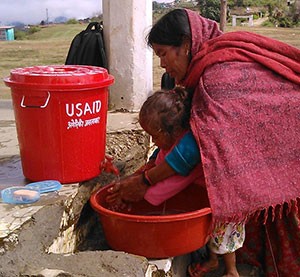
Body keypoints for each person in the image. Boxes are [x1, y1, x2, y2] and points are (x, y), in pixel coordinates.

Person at [108, 8, 300, 277]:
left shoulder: (218, 77)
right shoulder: (204, 69)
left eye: (163, 53)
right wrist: (149, 169)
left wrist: (146, 181)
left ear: (185, 46)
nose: (162, 64)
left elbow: (198, 146)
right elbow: (189, 136)